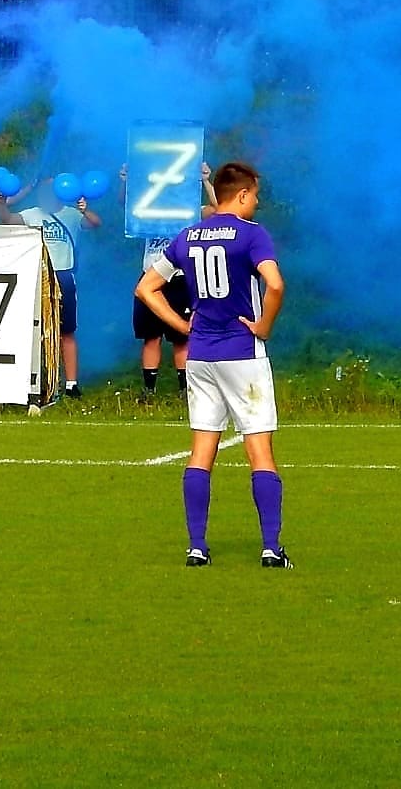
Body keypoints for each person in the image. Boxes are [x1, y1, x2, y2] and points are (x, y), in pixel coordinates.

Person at [133, 160, 290, 569]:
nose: (256, 202)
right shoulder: (251, 235)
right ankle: (272, 547)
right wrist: (264, 326)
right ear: (241, 195)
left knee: (202, 450)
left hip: (201, 354)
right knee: (259, 448)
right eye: (254, 195)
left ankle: (197, 546)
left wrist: (183, 324)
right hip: (242, 352)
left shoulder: (187, 237)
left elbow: (146, 288)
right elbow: (274, 283)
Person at [0, 176, 101, 398]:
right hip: (37, 276)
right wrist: (3, 203)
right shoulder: (32, 213)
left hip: (64, 275)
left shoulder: (71, 214)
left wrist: (84, 210)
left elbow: (95, 223)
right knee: (35, 328)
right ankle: (37, 379)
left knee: (67, 331)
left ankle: (71, 383)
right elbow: (8, 219)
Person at [130, 164, 214, 398]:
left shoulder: (190, 211)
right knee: (151, 336)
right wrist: (128, 181)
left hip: (180, 277)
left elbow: (218, 211)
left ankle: (184, 390)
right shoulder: (147, 209)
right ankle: (149, 390)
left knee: (182, 336)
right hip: (150, 275)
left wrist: (206, 181)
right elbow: (125, 206)